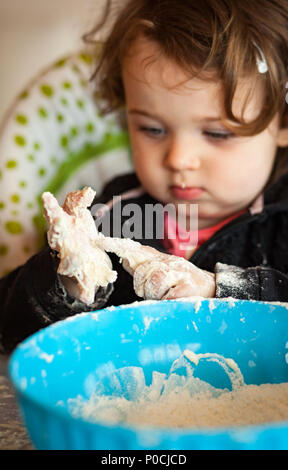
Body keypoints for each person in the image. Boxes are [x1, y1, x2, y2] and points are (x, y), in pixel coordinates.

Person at [1, 0, 288, 354]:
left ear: (283, 122)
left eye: (217, 134)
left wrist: (222, 288)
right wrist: (65, 282)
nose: (178, 159)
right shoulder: (115, 216)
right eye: (152, 129)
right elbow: (8, 327)